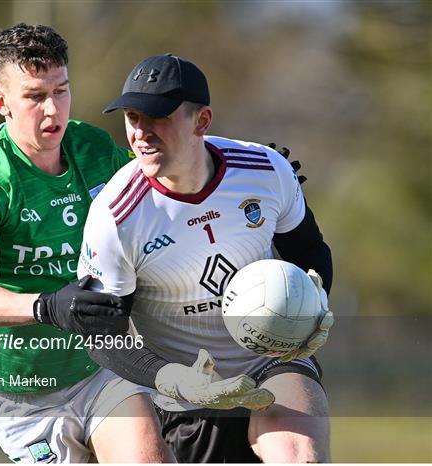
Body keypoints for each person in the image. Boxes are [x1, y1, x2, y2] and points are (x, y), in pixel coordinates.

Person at [0, 25, 280, 463]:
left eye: (61, 91)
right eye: (34, 96)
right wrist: (46, 306)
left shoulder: (94, 148)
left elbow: (168, 175)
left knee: (148, 457)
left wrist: (241, 168)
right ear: (1, 102)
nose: (53, 109)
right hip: (21, 395)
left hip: (101, 368)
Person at [77, 53, 334, 463]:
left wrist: (316, 302)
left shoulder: (266, 170)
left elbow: (309, 251)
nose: (140, 133)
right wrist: (173, 379)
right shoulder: (115, 215)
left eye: (157, 117)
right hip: (186, 395)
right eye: (131, 117)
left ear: (202, 121)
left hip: (273, 361)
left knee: (298, 454)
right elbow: (99, 333)